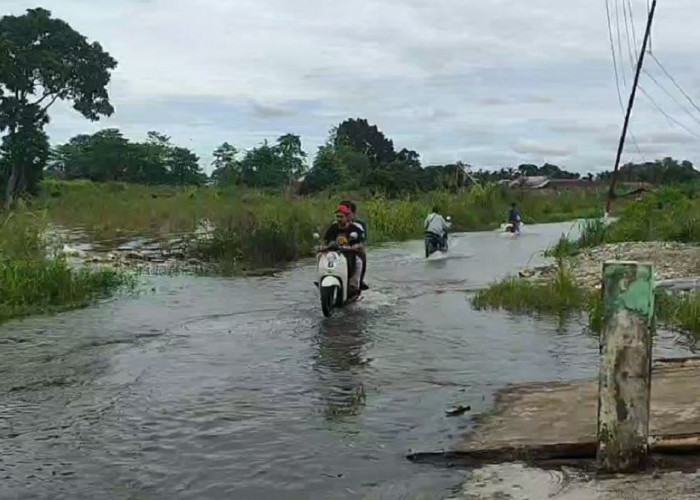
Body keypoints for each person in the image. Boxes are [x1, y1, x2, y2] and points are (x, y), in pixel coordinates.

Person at [322, 204, 366, 295]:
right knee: (320, 257)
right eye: (337, 216)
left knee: (359, 262)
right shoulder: (333, 228)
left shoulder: (355, 229)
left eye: (341, 217)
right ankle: (322, 277)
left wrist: (356, 246)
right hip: (333, 254)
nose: (339, 219)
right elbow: (325, 240)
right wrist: (322, 246)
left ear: (347, 217)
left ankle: (353, 284)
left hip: (349, 253)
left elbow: (362, 242)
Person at [340, 200, 369, 291]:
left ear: (353, 213)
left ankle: (359, 280)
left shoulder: (359, 225)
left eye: (347, 212)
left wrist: (357, 246)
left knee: (362, 254)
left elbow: (363, 240)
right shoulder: (336, 224)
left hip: (353, 249)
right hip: (338, 249)